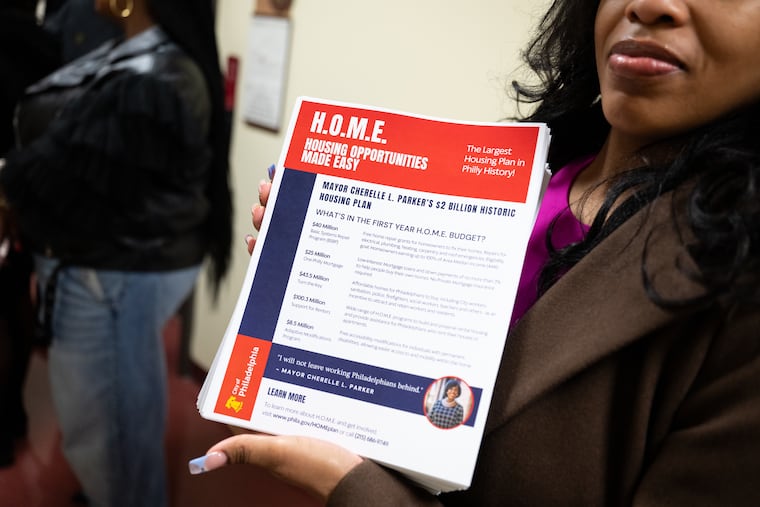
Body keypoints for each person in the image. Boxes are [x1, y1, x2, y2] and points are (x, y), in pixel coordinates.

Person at [189, 0, 760, 505]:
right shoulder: (534, 171)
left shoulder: (739, 296)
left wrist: (358, 488)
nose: (652, 5)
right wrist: (317, 264)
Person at [0, 0, 232, 505]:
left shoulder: (155, 78)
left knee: (110, 431)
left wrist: (12, 183)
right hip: (111, 269)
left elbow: (65, 174)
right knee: (121, 416)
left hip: (111, 275)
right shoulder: (137, 57)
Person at [0, 0, 61, 468]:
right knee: (15, 296)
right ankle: (13, 415)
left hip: (12, 183)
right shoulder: (44, 42)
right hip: (26, 185)